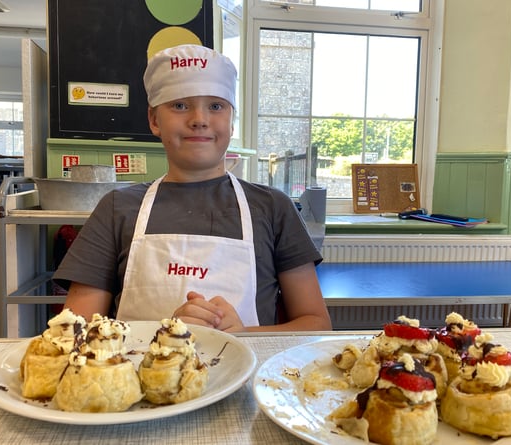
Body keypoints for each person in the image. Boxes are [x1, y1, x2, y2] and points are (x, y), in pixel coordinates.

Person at [54, 44, 332, 333]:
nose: (199, 119)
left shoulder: (273, 207)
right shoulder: (117, 208)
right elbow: (73, 332)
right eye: (180, 105)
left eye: (215, 106)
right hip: (137, 376)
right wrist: (163, 337)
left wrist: (243, 336)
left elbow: (316, 324)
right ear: (153, 120)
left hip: (247, 376)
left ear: (231, 121)